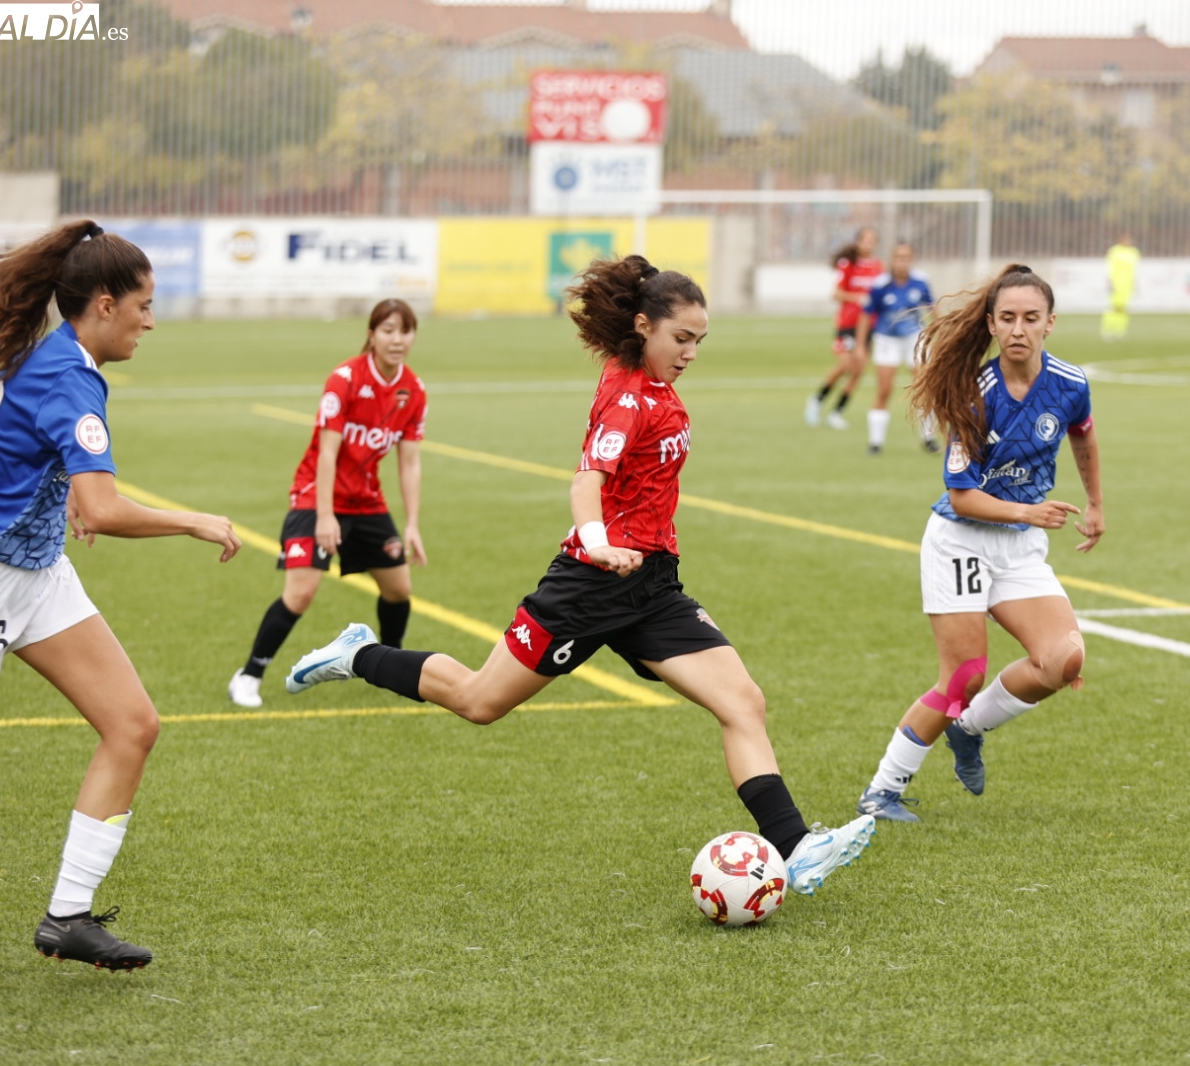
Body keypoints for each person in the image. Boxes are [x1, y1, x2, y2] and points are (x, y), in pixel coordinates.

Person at [286, 254, 876, 893]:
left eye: (699, 342)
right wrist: (597, 543)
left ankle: (796, 847)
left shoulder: (640, 375)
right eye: (681, 339)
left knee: (743, 702)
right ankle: (360, 653)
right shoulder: (629, 398)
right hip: (589, 585)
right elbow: (585, 482)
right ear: (645, 327)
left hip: (652, 586)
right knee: (479, 701)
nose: (691, 354)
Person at [0, 221, 242, 969]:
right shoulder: (70, 374)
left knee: (133, 724)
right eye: (144, 303)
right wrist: (194, 519)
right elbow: (105, 507)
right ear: (103, 304)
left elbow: (33, 440)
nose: (151, 318)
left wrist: (59, 493)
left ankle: (68, 917)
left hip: (37, 574)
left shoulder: (58, 361)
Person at [854, 264, 1105, 821]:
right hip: (961, 541)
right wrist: (1029, 510)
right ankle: (883, 790)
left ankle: (968, 731)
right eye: (1008, 318)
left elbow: (1083, 435)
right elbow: (962, 495)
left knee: (1063, 660)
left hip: (1018, 544)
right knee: (962, 677)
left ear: (1051, 323)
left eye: (1031, 318)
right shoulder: (974, 394)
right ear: (991, 325)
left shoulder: (1070, 383)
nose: (1019, 328)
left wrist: (1094, 503)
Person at [229, 299, 427, 708]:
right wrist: (323, 516)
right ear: (372, 334)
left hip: (367, 501)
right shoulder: (345, 380)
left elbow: (409, 461)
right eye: (388, 330)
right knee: (301, 593)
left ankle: (391, 666)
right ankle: (249, 674)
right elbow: (327, 454)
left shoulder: (413, 390)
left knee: (398, 589)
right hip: (314, 496)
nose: (397, 339)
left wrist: (412, 524)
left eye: (404, 331)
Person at [854, 241, 938, 455]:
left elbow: (931, 308)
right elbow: (866, 315)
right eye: (898, 258)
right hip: (886, 339)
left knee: (925, 387)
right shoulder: (880, 283)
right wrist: (861, 346)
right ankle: (875, 442)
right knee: (884, 389)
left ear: (912, 259)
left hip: (914, 338)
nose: (902, 262)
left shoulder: (920, 281)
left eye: (906, 258)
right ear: (892, 260)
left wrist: (939, 334)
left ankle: (928, 437)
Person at [804, 226, 883, 430]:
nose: (869, 244)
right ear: (858, 242)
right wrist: (858, 298)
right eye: (866, 240)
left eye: (873, 240)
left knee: (859, 369)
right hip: (848, 323)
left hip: (868, 327)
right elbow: (836, 294)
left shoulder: (878, 267)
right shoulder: (848, 264)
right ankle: (817, 400)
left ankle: (837, 412)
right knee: (845, 365)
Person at [1101, 234, 1139, 341]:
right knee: (1113, 307)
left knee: (1124, 308)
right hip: (1116, 283)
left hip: (1127, 285)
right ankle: (1108, 328)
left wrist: (1135, 282)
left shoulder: (1134, 252)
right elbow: (1109, 266)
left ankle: (1120, 330)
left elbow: (1134, 269)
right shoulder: (1114, 251)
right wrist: (1110, 281)